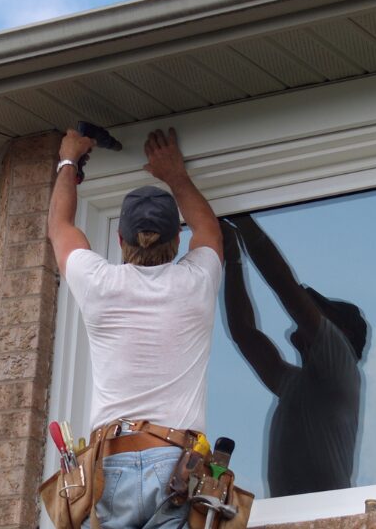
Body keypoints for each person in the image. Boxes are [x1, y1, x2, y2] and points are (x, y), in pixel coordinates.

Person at [47, 126, 223, 529]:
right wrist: (174, 174)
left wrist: (69, 158)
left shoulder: (99, 284)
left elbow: (60, 226)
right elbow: (209, 230)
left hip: (113, 464)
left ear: (120, 237)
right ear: (177, 242)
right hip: (178, 463)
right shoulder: (195, 283)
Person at [220, 215, 367, 497]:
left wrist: (241, 214)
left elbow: (283, 285)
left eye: (319, 311)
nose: (307, 316)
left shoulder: (342, 362)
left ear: (342, 332)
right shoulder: (300, 386)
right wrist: (233, 257)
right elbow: (244, 332)